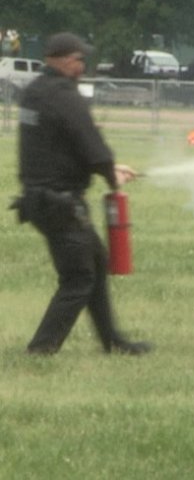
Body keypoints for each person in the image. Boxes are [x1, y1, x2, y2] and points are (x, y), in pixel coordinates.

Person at [12, 32, 151, 355]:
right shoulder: (65, 96)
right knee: (78, 277)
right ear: (60, 60)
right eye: (78, 59)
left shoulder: (35, 93)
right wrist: (110, 172)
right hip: (59, 202)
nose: (82, 65)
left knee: (96, 263)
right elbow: (92, 146)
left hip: (39, 198)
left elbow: (61, 145)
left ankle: (112, 342)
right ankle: (41, 349)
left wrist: (108, 169)